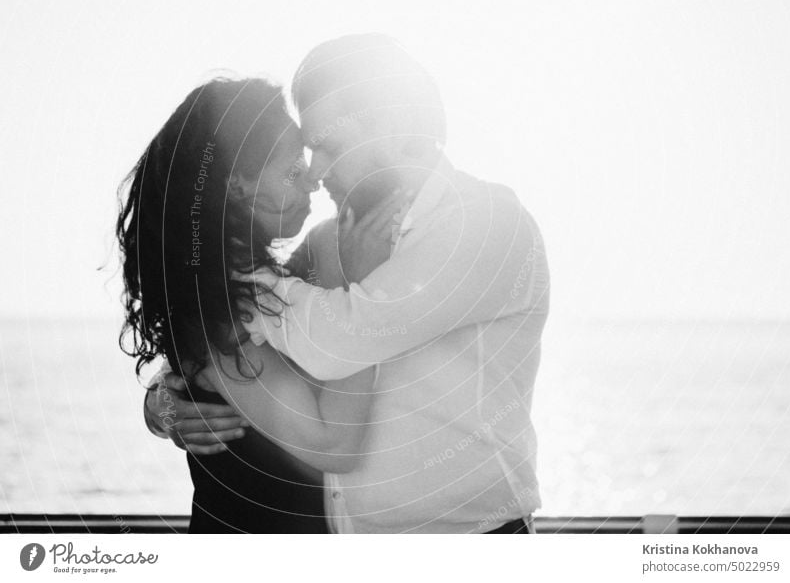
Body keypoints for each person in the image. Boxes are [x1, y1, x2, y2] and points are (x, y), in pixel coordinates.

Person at [147, 34, 550, 533]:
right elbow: (222, 333)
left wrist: (207, 307)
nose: (314, 172)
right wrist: (165, 399)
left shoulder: (486, 224)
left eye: (327, 146)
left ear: (397, 127)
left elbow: (335, 343)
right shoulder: (326, 240)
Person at [118, 77, 398, 533]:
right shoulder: (220, 307)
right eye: (292, 166)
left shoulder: (265, 278)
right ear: (236, 186)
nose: (312, 176)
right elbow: (333, 444)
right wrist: (362, 290)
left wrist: (162, 398)